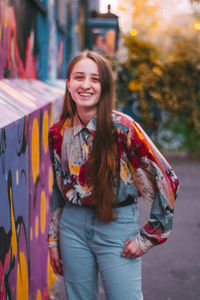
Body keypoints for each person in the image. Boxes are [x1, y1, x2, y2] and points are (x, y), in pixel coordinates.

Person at [48, 50, 179, 300]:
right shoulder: (58, 132)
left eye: (95, 79)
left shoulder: (124, 128)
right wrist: (53, 240)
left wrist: (149, 236)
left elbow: (167, 181)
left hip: (116, 224)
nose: (85, 85)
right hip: (72, 227)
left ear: (105, 86)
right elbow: (58, 189)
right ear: (68, 83)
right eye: (78, 77)